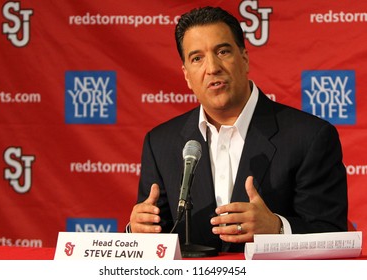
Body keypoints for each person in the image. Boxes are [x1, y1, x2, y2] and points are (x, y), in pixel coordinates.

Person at [128, 6, 348, 252]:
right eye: (197, 58)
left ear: (244, 59)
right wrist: (137, 231)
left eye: (222, 51)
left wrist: (277, 228)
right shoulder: (160, 144)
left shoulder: (309, 137)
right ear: (187, 75)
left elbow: (334, 237)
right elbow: (158, 239)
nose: (212, 68)